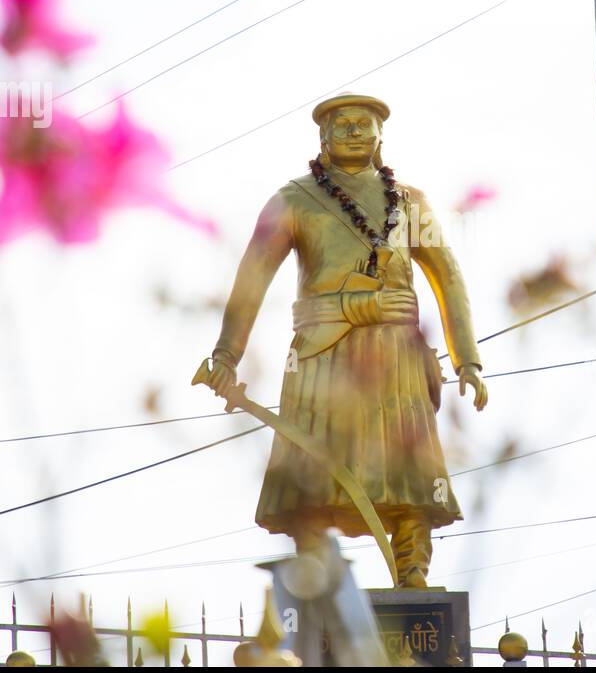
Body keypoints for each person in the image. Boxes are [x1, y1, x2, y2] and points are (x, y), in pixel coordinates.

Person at [202, 93, 487, 588]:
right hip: (321, 351)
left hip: (396, 353)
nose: (354, 131)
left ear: (380, 137)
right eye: (343, 124)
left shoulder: (411, 203)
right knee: (313, 470)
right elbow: (252, 278)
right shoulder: (293, 200)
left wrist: (468, 360)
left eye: (364, 124)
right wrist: (226, 354)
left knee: (409, 469)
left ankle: (412, 568)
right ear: (323, 137)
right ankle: (314, 570)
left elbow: (449, 277)